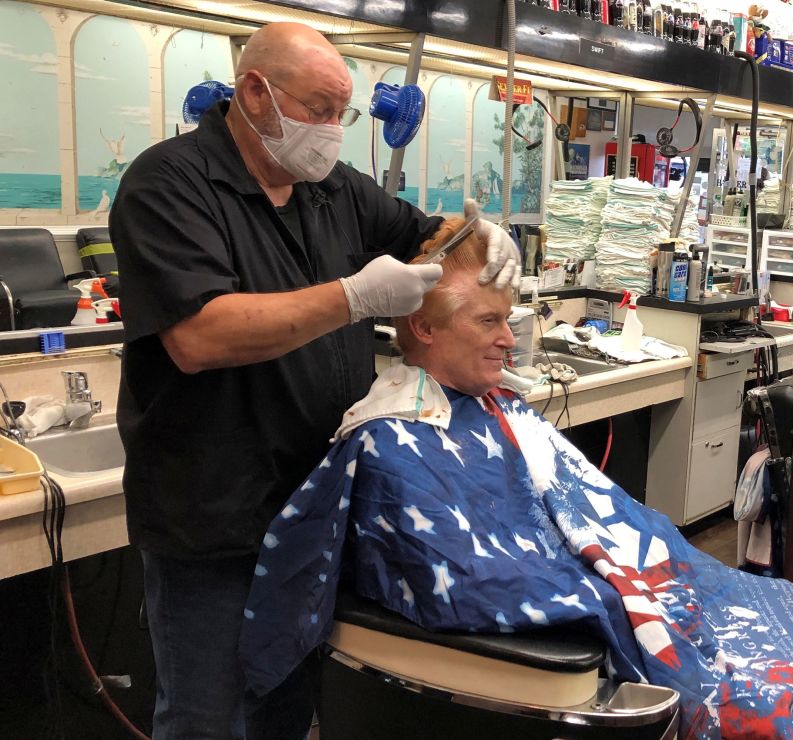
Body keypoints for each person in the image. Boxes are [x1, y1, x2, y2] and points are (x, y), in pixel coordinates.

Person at [239, 219, 793, 740]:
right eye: (487, 322)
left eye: (508, 321)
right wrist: (606, 590)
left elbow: (590, 510)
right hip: (552, 631)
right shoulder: (385, 442)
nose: (508, 344)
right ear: (423, 328)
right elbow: (455, 580)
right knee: (758, 660)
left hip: (625, 576)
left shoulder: (491, 407)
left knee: (789, 602)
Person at [109, 22, 520, 739]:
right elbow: (199, 335)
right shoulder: (168, 183)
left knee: (286, 710)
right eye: (319, 110)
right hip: (215, 521)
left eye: (344, 114)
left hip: (315, 512)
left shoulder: (333, 189)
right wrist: (354, 298)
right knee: (211, 717)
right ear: (254, 92)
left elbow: (430, 236)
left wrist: (482, 240)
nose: (333, 131)